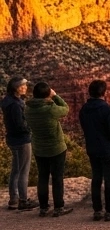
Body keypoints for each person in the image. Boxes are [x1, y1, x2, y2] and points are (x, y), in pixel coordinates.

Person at [78, 80, 110, 221]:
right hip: (108, 149)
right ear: (103, 92)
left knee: (96, 178)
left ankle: (97, 210)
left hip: (92, 149)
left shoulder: (84, 109)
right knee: (109, 179)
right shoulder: (106, 109)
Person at [27, 82, 71, 217]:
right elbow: (65, 108)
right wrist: (55, 96)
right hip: (56, 148)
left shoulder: (27, 108)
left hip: (39, 148)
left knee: (43, 177)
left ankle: (43, 207)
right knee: (57, 177)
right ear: (47, 95)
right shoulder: (50, 109)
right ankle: (59, 207)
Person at [4, 77, 35, 212]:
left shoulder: (7, 101)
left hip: (12, 139)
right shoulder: (16, 105)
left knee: (16, 170)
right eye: (23, 85)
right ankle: (23, 200)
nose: (26, 87)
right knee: (23, 171)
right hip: (21, 140)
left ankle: (13, 200)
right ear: (17, 88)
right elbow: (20, 125)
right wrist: (31, 128)